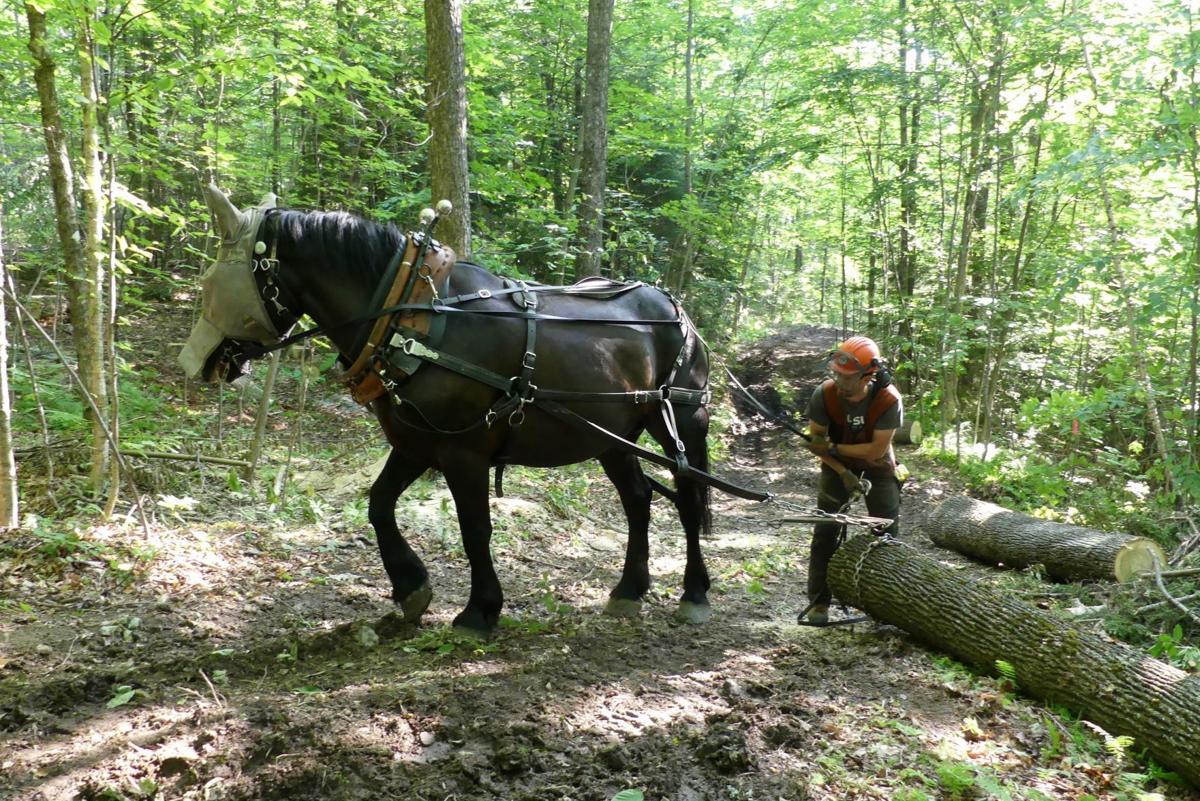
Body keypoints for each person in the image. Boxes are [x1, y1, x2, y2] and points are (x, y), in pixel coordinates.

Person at [802, 336, 902, 626]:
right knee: (825, 532)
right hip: (837, 467)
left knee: (886, 533)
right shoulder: (825, 394)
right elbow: (817, 442)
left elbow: (876, 450)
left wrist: (832, 449)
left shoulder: (888, 400)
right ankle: (818, 604)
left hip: (878, 467)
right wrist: (840, 468)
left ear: (868, 375)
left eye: (847, 377)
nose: (839, 382)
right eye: (836, 374)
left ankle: (888, 607)